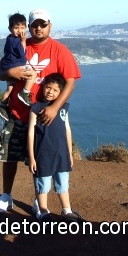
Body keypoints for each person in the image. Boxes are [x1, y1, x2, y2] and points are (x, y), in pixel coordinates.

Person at [0, 9, 81, 214]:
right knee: (10, 157)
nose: (38, 28)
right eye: (34, 25)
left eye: (43, 24)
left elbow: (70, 82)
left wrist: (54, 108)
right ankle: (6, 196)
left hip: (43, 116)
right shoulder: (18, 45)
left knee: (39, 161)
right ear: (28, 27)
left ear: (50, 25)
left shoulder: (60, 50)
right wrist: (10, 72)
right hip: (17, 112)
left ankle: (38, 202)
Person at [28, 73, 83, 222]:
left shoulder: (64, 107)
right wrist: (32, 158)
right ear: (43, 87)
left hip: (61, 153)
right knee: (43, 185)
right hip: (42, 154)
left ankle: (67, 210)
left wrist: (70, 154)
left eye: (55, 90)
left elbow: (67, 129)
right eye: (48, 88)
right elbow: (31, 132)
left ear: (61, 92)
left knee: (63, 184)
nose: (50, 92)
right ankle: (43, 212)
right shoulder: (36, 108)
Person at [0, 13, 37, 122]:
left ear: (26, 28)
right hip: (15, 65)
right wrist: (23, 41)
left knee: (9, 88)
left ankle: (2, 105)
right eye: (16, 28)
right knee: (33, 74)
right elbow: (22, 53)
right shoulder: (16, 41)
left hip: (7, 65)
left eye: (22, 28)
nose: (19, 30)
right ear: (10, 29)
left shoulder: (9, 38)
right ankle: (25, 93)